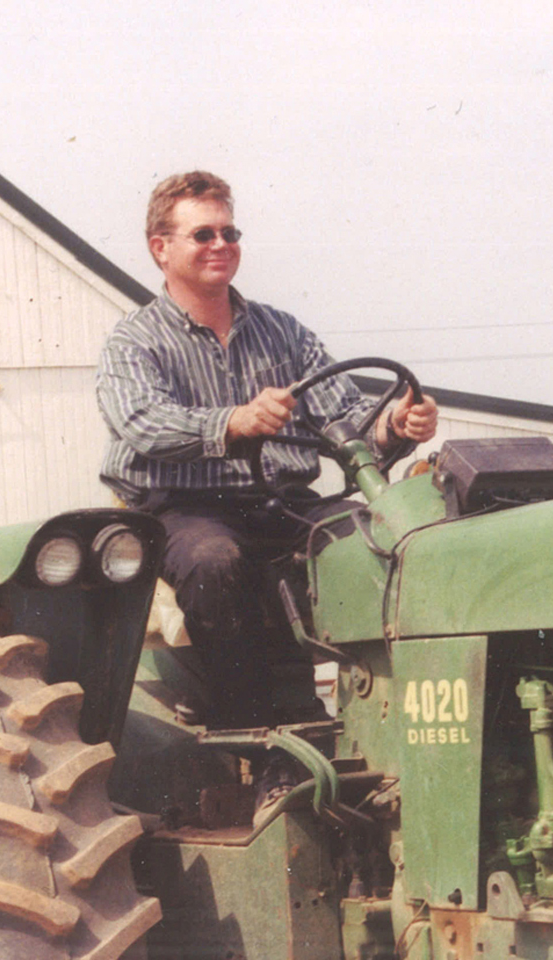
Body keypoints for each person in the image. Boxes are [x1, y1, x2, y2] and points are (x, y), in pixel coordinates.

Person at [96, 171, 438, 728]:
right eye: (203, 234)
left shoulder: (284, 332)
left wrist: (395, 423)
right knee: (214, 560)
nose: (221, 245)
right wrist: (233, 422)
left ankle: (388, 718)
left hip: (280, 502)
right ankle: (250, 729)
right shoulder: (134, 341)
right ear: (161, 248)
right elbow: (143, 424)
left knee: (385, 535)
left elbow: (343, 416)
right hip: (183, 509)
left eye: (229, 233)